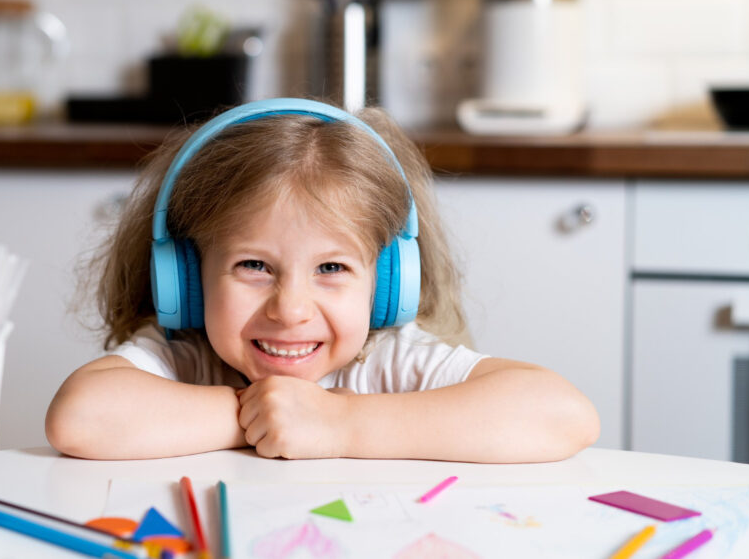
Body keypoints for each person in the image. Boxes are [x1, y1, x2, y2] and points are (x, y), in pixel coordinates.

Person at [46, 98, 599, 462]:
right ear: (186, 279)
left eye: (331, 268)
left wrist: (342, 423)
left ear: (386, 284)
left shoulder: (389, 361)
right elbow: (80, 417)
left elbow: (564, 415)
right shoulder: (187, 357)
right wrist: (263, 414)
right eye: (253, 266)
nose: (290, 309)